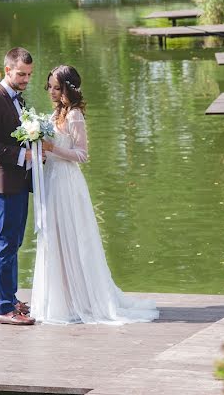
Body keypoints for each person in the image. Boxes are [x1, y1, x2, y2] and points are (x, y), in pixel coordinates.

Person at [31, 65, 158, 325]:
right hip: (51, 180)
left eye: (57, 87)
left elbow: (82, 155)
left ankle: (84, 298)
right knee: (54, 238)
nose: (52, 92)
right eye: (50, 87)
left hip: (67, 182)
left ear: (68, 88)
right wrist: (40, 151)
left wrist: (52, 147)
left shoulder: (75, 115)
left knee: (73, 237)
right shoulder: (56, 113)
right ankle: (61, 299)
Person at [0, 47, 38, 326]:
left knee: (15, 242)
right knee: (6, 243)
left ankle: (11, 299)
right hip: (3, 180)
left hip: (19, 179)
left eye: (29, 75)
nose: (25, 79)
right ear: (7, 71)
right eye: (21, 74)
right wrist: (21, 155)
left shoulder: (16, 98)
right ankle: (3, 308)